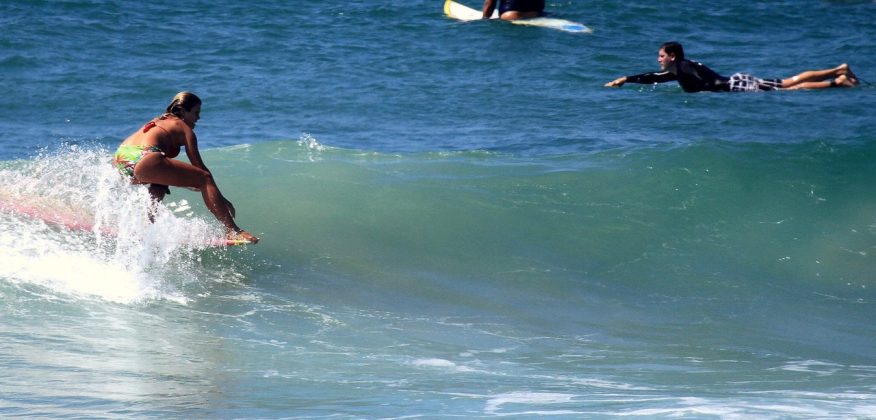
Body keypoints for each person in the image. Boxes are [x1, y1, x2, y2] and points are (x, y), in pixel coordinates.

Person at [113, 92, 259, 243]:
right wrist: (221, 199)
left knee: (161, 181)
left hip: (121, 159)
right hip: (144, 158)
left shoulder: (158, 121)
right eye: (196, 113)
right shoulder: (183, 128)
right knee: (205, 178)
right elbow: (200, 168)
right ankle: (232, 230)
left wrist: (189, 182)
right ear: (183, 111)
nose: (198, 118)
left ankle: (146, 224)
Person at [605, 41, 859, 93]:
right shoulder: (678, 69)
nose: (659, 59)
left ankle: (838, 80)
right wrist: (625, 79)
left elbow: (695, 75)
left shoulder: (683, 67)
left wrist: (706, 88)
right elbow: (654, 78)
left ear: (671, 56)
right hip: (737, 82)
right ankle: (838, 69)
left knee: (790, 86)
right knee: (786, 82)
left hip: (737, 86)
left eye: (662, 56)